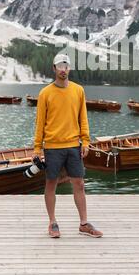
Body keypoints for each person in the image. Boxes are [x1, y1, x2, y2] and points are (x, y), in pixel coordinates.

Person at [32, 53, 103, 239]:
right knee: (51, 184)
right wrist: (37, 149)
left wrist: (86, 141)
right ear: (54, 68)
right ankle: (52, 222)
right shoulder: (45, 93)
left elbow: (83, 118)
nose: (63, 69)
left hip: (74, 145)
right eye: (59, 66)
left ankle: (84, 224)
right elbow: (40, 123)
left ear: (69, 68)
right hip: (53, 146)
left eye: (66, 66)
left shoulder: (78, 90)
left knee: (79, 183)